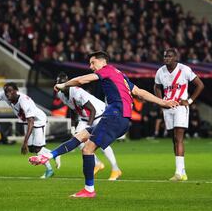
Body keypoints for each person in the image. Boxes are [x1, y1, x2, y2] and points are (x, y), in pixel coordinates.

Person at [29, 51, 179, 198]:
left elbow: (82, 80)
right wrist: (163, 102)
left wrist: (63, 85)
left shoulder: (107, 71)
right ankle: (48, 156)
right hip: (121, 119)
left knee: (88, 149)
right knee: (81, 135)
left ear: (103, 61)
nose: (91, 66)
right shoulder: (120, 74)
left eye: (93, 63)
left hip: (114, 115)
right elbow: (139, 92)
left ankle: (89, 190)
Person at [0, 82, 61, 179]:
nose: (8, 94)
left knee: (37, 148)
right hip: (27, 121)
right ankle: (53, 154)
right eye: (6, 92)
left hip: (38, 121)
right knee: (32, 149)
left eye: (10, 91)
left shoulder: (24, 101)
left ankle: (49, 170)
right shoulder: (5, 95)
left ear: (16, 91)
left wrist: (24, 142)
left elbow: (31, 121)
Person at [55, 72, 122, 180]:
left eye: (63, 83)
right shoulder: (61, 94)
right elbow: (72, 109)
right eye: (59, 83)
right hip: (85, 117)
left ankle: (116, 169)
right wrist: (73, 126)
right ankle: (97, 164)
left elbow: (92, 110)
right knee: (77, 141)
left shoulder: (77, 92)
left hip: (99, 114)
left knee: (101, 142)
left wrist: (88, 129)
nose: (61, 85)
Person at [154, 48, 204, 181]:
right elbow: (157, 86)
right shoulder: (160, 71)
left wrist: (189, 101)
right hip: (168, 108)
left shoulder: (184, 69)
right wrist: (161, 102)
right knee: (173, 139)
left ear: (176, 57)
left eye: (169, 56)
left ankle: (178, 172)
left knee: (178, 138)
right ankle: (182, 171)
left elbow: (200, 85)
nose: (167, 59)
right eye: (165, 56)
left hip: (181, 107)